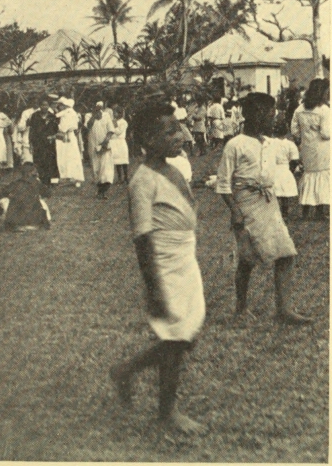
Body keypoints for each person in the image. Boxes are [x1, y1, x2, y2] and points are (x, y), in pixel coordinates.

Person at [110, 99, 205, 434]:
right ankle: (167, 413)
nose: (179, 134)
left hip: (184, 260)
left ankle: (126, 369)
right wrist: (154, 288)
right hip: (164, 264)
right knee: (176, 340)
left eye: (177, 127)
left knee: (185, 336)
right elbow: (142, 240)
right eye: (169, 131)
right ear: (148, 141)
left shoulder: (174, 169)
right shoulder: (142, 181)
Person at [216, 92, 312, 326]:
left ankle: (284, 309)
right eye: (270, 114)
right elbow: (223, 183)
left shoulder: (269, 143)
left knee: (286, 254)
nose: (274, 119)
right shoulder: (235, 145)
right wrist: (235, 210)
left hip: (268, 203)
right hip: (245, 204)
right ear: (255, 114)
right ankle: (240, 310)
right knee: (247, 259)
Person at [291, 78, 330, 221]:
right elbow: (326, 133)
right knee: (322, 177)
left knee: (308, 176)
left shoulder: (300, 109)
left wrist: (301, 139)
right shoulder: (324, 110)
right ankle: (320, 212)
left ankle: (305, 211)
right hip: (322, 148)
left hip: (307, 147)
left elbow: (294, 129)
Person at [0, 162, 51, 231]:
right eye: (35, 172)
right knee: (41, 201)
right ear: (30, 173)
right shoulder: (36, 183)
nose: (36, 174)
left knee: (2, 200)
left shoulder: (15, 184)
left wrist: (11, 197)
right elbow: (48, 194)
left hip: (17, 223)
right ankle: (41, 223)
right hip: (35, 223)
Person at [272, 117, 300, 220]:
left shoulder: (269, 142)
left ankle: (275, 212)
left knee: (274, 192)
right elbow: (295, 159)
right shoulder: (290, 144)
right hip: (284, 169)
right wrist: (290, 170)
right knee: (284, 193)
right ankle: (284, 212)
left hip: (273, 168)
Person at [28, 97, 60, 185]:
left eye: (46, 105)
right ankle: (40, 180)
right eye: (42, 105)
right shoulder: (35, 116)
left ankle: (49, 181)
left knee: (49, 161)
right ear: (39, 106)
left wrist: (52, 137)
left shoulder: (52, 116)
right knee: (38, 160)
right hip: (37, 142)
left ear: (49, 106)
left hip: (49, 143)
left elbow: (56, 130)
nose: (44, 107)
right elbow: (31, 130)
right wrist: (30, 142)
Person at [86, 102, 115, 198]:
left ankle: (104, 191)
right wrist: (93, 116)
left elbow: (110, 131)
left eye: (99, 108)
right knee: (96, 168)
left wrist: (105, 143)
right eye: (95, 108)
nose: (98, 110)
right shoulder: (88, 116)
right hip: (93, 145)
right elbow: (88, 127)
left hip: (105, 145)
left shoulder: (106, 116)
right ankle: (99, 191)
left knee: (106, 169)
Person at [55, 98, 85, 188]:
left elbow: (59, 120)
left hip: (65, 135)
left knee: (64, 155)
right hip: (71, 136)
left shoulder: (66, 112)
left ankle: (67, 177)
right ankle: (74, 177)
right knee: (73, 156)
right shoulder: (74, 112)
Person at [110, 106, 129, 184]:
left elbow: (118, 131)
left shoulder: (123, 122)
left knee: (123, 160)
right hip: (114, 142)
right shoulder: (113, 121)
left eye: (116, 113)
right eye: (114, 113)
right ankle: (119, 178)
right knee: (117, 161)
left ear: (120, 113)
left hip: (120, 142)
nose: (114, 114)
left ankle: (126, 177)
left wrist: (114, 125)